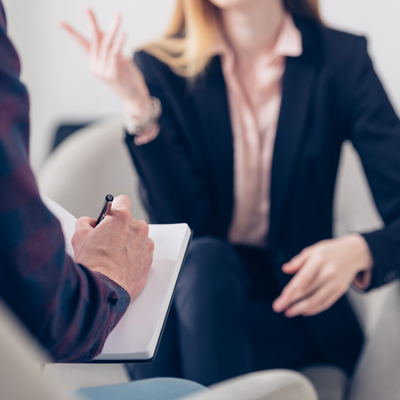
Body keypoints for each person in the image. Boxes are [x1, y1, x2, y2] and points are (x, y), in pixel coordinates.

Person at [61, 0, 400, 387]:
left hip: (291, 307)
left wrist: (359, 250)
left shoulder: (341, 59)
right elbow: (184, 223)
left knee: (184, 301)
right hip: (200, 289)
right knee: (205, 262)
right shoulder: (160, 66)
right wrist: (139, 105)